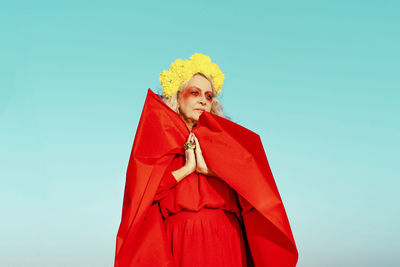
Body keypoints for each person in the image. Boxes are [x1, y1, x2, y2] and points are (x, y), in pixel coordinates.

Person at [114, 53, 299, 267]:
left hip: (227, 240)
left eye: (209, 96)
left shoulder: (228, 145)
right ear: (177, 96)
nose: (203, 100)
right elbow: (139, 201)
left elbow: (256, 195)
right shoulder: (159, 146)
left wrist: (211, 170)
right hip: (180, 244)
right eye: (195, 92)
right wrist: (186, 169)